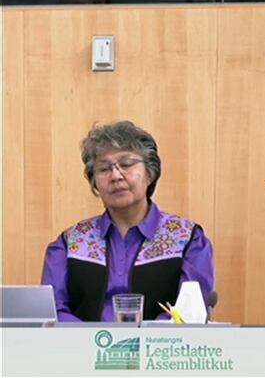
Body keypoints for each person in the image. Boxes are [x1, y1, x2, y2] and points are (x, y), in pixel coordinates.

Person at [41, 121, 215, 322]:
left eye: (126, 164)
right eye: (104, 168)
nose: (115, 175)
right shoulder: (70, 243)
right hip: (83, 349)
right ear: (94, 182)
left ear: (150, 173)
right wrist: (90, 340)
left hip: (163, 349)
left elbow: (190, 310)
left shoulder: (187, 239)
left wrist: (147, 338)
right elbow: (52, 311)